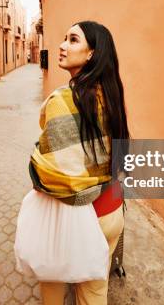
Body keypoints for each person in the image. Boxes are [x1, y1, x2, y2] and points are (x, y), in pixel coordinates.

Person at [29, 21, 130, 305]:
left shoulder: (62, 100)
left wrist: (36, 166)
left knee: (52, 281)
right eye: (64, 38)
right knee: (94, 292)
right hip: (110, 212)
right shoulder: (112, 97)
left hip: (74, 217)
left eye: (73, 40)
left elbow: (51, 173)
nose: (62, 45)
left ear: (91, 54)